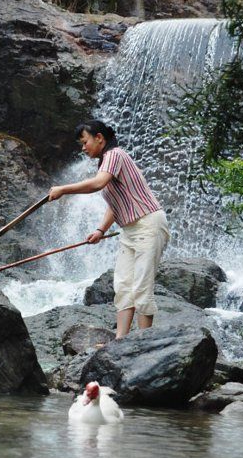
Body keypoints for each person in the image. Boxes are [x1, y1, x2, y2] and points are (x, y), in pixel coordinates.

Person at [48, 119, 170, 339]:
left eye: (85, 142)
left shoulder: (115, 155)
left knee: (142, 287)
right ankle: (120, 340)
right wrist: (101, 230)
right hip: (130, 230)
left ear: (99, 138)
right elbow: (116, 204)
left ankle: (144, 342)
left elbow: (97, 184)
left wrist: (64, 189)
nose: (83, 148)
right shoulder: (106, 162)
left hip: (148, 224)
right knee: (123, 285)